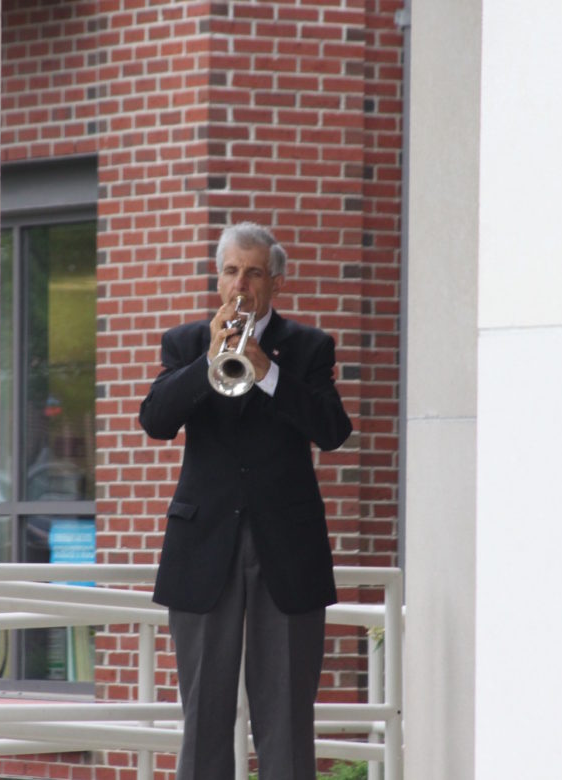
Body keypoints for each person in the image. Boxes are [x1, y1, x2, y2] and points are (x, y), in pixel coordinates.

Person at [139, 222, 353, 780]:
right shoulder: (185, 342)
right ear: (218, 278)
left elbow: (332, 431)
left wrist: (268, 370)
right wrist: (208, 360)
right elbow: (156, 421)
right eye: (231, 271)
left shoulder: (308, 348)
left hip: (286, 548)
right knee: (203, 716)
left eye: (254, 272)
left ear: (275, 283)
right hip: (205, 544)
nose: (241, 284)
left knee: (284, 720)